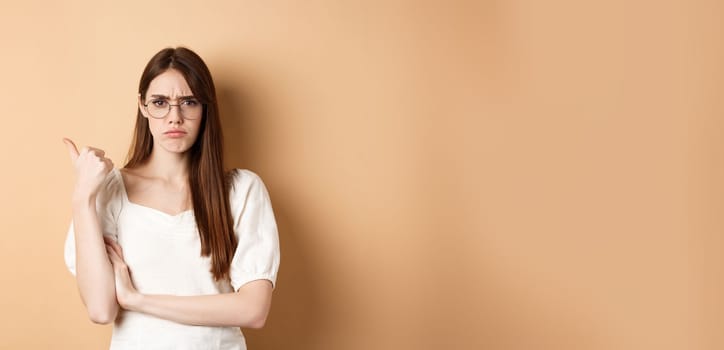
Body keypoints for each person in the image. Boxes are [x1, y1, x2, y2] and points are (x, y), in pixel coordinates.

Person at [62, 47, 280, 350]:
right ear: (143, 106)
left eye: (188, 102)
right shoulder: (110, 191)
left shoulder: (242, 190)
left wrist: (138, 300)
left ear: (205, 108)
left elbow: (253, 310)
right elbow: (101, 309)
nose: (174, 117)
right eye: (160, 103)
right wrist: (82, 197)